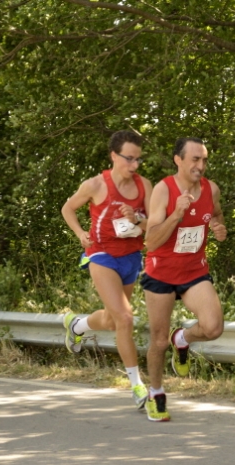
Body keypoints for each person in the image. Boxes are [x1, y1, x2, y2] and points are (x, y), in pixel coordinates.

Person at [60, 130, 153, 410]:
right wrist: (79, 233)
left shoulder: (144, 186)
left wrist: (136, 218)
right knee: (125, 318)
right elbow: (68, 208)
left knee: (114, 322)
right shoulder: (95, 185)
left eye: (138, 159)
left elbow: (155, 224)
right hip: (101, 255)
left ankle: (77, 325)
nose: (134, 165)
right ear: (114, 155)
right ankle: (137, 385)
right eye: (129, 159)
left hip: (131, 256)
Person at [140, 137, 227, 422]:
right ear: (178, 160)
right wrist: (177, 214)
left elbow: (216, 213)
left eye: (204, 160)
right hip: (161, 273)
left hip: (194, 272)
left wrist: (218, 225)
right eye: (195, 160)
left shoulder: (211, 189)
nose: (200, 166)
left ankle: (184, 337)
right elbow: (151, 241)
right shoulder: (164, 190)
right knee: (158, 340)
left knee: (213, 328)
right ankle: (156, 393)